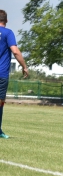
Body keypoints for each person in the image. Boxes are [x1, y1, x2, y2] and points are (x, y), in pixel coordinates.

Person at [0, 9, 28, 139]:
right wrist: (24, 66)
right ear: (6, 20)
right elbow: (15, 51)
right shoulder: (8, 33)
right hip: (1, 74)